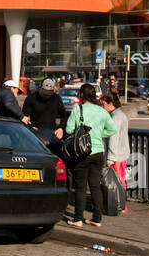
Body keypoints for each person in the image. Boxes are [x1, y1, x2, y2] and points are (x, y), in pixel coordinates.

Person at [54, 84, 117, 226]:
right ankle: (97, 219)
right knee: (95, 186)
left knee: (81, 187)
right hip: (98, 152)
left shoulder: (78, 109)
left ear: (82, 94)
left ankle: (78, 219)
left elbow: (69, 129)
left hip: (82, 153)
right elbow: (112, 129)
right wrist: (100, 135)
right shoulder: (102, 111)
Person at [99, 90, 130, 214]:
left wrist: (110, 158)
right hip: (121, 153)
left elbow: (113, 138)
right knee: (120, 179)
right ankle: (121, 204)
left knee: (118, 180)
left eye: (104, 104)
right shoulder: (120, 114)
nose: (102, 107)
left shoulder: (115, 117)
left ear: (110, 103)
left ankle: (120, 205)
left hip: (117, 155)